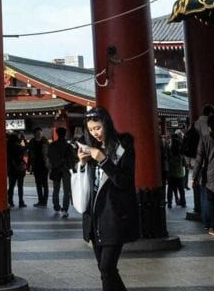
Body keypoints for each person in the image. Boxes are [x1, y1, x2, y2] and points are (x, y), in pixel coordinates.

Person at [77, 107, 139, 291]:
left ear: (107, 124)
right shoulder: (90, 149)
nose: (95, 133)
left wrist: (103, 160)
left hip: (114, 216)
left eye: (98, 127)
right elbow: (86, 186)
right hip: (94, 217)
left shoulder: (123, 146)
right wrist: (82, 163)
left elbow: (125, 181)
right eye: (91, 129)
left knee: (107, 267)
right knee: (104, 270)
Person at [47, 126, 77, 218]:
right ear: (65, 134)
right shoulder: (68, 146)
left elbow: (49, 157)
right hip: (66, 170)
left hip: (56, 169)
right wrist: (70, 166)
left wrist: (53, 165)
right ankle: (64, 209)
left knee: (56, 189)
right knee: (66, 190)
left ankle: (56, 206)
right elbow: (73, 159)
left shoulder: (52, 145)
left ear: (57, 133)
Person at [28, 127, 49, 207]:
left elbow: (49, 154)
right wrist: (29, 165)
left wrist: (49, 164)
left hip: (44, 165)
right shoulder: (32, 142)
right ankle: (40, 200)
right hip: (36, 165)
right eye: (37, 133)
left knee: (45, 184)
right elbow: (30, 154)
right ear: (34, 134)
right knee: (38, 184)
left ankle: (45, 201)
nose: (39, 134)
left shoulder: (45, 142)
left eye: (40, 132)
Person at [166, 131, 187, 208]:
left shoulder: (169, 152)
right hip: (180, 174)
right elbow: (185, 164)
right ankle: (183, 202)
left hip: (171, 174)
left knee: (170, 189)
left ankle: (169, 203)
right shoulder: (181, 154)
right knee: (181, 190)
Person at [7, 133, 28, 208]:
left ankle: (10, 201)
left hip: (11, 169)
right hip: (20, 169)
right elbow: (27, 147)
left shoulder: (7, 147)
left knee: (11, 186)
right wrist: (24, 139)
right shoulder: (20, 147)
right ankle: (21, 202)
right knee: (20, 186)